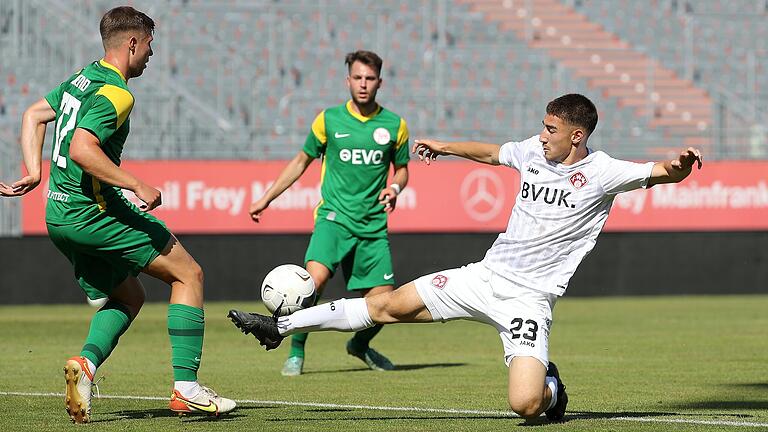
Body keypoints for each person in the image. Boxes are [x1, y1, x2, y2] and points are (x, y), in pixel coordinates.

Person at [229, 93, 703, 421]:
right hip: (484, 277)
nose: (541, 135)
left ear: (576, 136)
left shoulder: (603, 171)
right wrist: (445, 147)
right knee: (386, 305)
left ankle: (550, 387)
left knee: (525, 406)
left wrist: (679, 167)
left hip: (528, 302)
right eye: (542, 125)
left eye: (551, 128)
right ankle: (281, 327)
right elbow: (495, 153)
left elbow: (661, 171)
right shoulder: (533, 153)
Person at [0, 6, 235, 422]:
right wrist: (135, 183)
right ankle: (186, 389)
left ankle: (86, 366)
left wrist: (35, 171)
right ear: (131, 43)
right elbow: (81, 148)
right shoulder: (117, 92)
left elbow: (33, 115)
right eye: (148, 45)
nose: (150, 53)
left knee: (130, 295)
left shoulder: (82, 78)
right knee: (189, 274)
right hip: (93, 212)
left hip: (56, 215)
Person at [247, 50, 410, 376]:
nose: (363, 84)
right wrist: (267, 197)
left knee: (387, 302)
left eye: (370, 78)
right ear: (347, 80)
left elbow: (403, 170)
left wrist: (394, 189)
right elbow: (300, 162)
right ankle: (296, 351)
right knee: (311, 284)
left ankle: (359, 346)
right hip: (333, 219)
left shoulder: (395, 125)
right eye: (358, 78)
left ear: (380, 82)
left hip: (373, 226)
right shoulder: (328, 120)